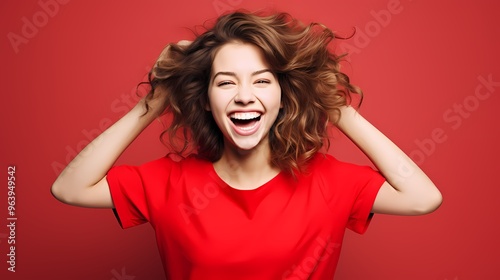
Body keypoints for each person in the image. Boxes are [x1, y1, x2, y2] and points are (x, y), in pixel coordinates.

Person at [51, 10, 442, 280]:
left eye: (261, 80)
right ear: (205, 99)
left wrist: (332, 105)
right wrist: (154, 101)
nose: (243, 96)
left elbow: (422, 197)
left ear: (283, 95)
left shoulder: (328, 181)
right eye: (225, 82)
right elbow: (69, 187)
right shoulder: (169, 182)